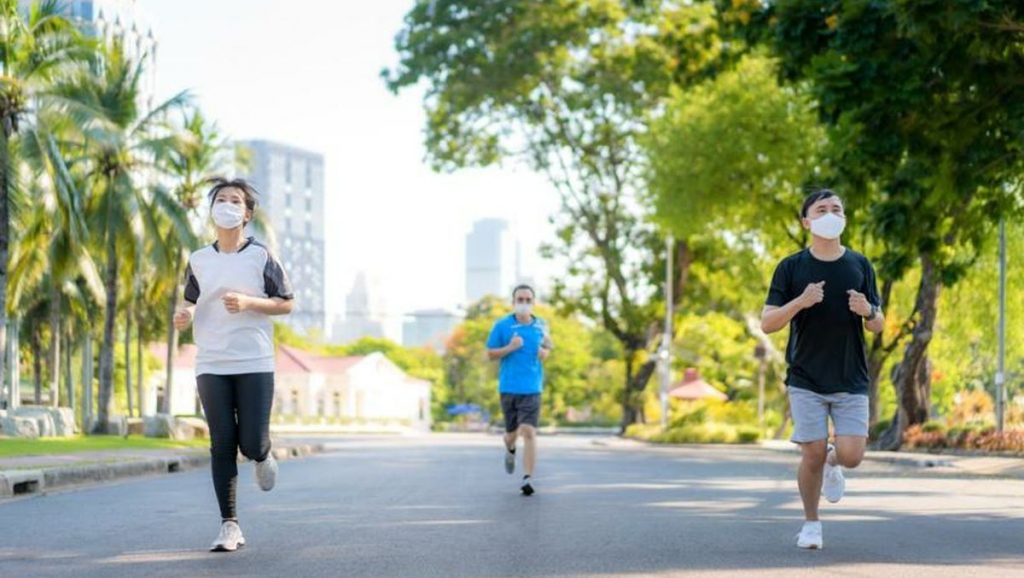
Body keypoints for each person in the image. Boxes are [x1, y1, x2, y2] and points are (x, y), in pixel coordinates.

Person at [174, 178, 295, 552]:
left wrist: (248, 303)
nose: (226, 204)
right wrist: (186, 313)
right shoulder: (198, 258)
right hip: (211, 360)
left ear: (247, 214)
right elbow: (195, 298)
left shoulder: (261, 256)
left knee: (250, 440)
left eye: (235, 200)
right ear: (213, 211)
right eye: (220, 199)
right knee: (222, 442)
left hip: (254, 359)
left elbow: (286, 302)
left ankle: (262, 452)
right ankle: (230, 525)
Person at [760, 189, 884, 550]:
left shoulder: (860, 265)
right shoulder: (791, 267)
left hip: (851, 378)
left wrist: (869, 312)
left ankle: (835, 462)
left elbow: (878, 325)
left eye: (837, 209)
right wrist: (800, 301)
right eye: (822, 209)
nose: (831, 213)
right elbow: (768, 323)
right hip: (806, 377)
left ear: (843, 218)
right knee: (810, 452)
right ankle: (811, 524)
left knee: (852, 456)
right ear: (806, 221)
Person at [486, 284, 553, 496]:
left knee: (529, 431)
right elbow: (490, 354)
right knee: (511, 434)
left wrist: (544, 352)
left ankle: (527, 478)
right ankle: (510, 447)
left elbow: (547, 347)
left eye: (527, 300)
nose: (524, 303)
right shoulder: (502, 325)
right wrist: (510, 348)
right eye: (520, 299)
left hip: (532, 387)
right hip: (509, 387)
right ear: (513, 302)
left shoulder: (541, 325)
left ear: (533, 302)